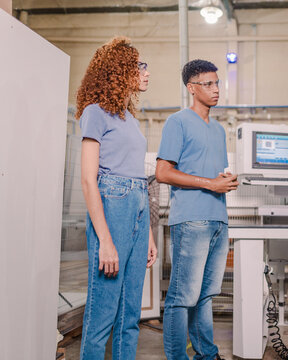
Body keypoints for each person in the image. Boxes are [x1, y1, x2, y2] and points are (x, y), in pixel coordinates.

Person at [77, 36, 158, 360]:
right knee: (103, 315)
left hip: (137, 205)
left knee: (130, 317)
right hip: (113, 207)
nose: (146, 72)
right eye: (140, 65)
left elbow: (139, 179)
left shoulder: (131, 120)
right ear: (120, 70)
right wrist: (105, 241)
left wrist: (149, 235)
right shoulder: (94, 113)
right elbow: (87, 179)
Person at [156, 59, 238, 360]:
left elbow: (211, 175)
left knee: (205, 296)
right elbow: (163, 172)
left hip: (218, 220)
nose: (216, 89)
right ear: (192, 88)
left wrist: (225, 181)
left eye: (217, 83)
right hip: (191, 220)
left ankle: (207, 354)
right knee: (182, 297)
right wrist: (209, 184)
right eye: (208, 84)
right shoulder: (177, 122)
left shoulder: (218, 130)